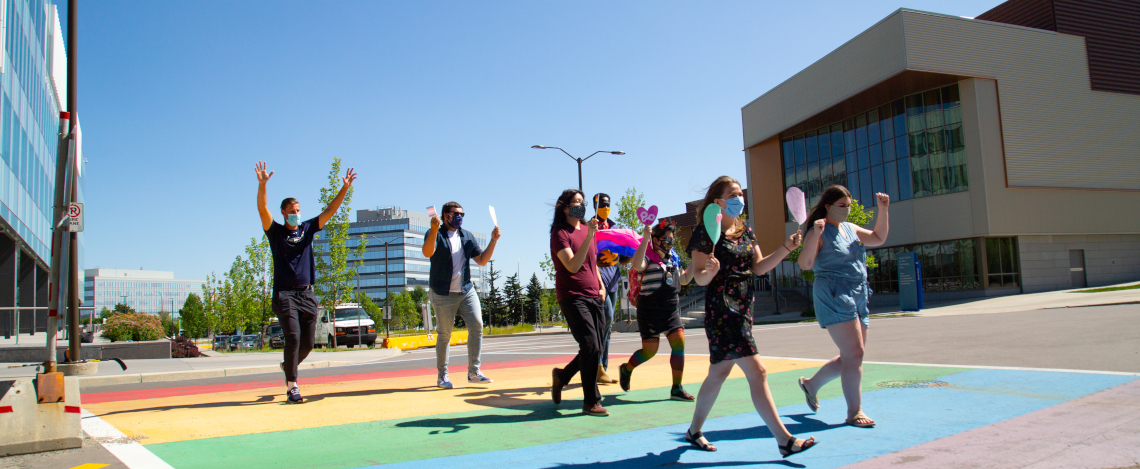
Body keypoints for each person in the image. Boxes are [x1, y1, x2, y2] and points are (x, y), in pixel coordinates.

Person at [684, 176, 816, 458]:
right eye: (733, 194)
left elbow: (758, 268)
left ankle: (694, 430)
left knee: (719, 373)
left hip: (744, 307)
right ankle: (784, 440)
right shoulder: (705, 233)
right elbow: (698, 277)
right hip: (722, 310)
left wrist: (786, 248)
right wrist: (710, 269)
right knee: (758, 371)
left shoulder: (745, 230)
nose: (739, 199)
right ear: (718, 202)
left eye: (741, 194)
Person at [255, 161, 357, 404]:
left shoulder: (308, 228)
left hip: (307, 294)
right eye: (292, 209)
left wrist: (344, 189)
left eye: (298, 209)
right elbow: (262, 210)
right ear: (283, 212)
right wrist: (262, 186)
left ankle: (287, 365)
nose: (296, 212)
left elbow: (330, 210)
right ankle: (292, 386)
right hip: (285, 294)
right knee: (293, 337)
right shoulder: (276, 232)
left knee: (309, 343)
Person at [795, 186, 889, 429]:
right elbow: (805, 264)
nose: (846, 210)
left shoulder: (850, 228)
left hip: (858, 291)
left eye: (848, 205)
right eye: (842, 206)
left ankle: (811, 385)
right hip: (834, 293)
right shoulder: (819, 230)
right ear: (828, 206)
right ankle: (854, 412)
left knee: (851, 356)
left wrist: (883, 210)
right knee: (854, 354)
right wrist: (814, 235)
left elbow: (879, 238)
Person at [423, 202, 501, 389]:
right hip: (443, 293)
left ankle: (474, 372)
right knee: (444, 334)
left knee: (477, 325)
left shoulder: (467, 236)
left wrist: (493, 241)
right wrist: (433, 230)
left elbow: (482, 261)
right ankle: (442, 376)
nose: (459, 217)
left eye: (462, 214)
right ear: (445, 215)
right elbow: (427, 252)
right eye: (455, 214)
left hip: (466, 291)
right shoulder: (435, 233)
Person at [618, 218, 696, 401]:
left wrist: (695, 261)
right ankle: (626, 369)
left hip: (670, 309)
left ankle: (677, 388)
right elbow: (637, 265)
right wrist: (645, 238)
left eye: (672, 239)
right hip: (649, 310)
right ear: (656, 239)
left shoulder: (673, 258)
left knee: (679, 342)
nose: (670, 243)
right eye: (666, 239)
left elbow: (684, 280)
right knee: (650, 351)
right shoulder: (647, 256)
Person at [549, 189, 610, 416]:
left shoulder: (586, 229)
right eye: (576, 202)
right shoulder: (559, 233)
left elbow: (592, 263)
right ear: (565, 207)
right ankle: (591, 401)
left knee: (595, 348)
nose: (580, 206)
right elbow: (573, 265)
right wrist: (588, 238)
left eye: (582, 202)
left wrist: (601, 285)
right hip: (572, 295)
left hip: (595, 294)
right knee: (591, 346)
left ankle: (562, 376)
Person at [592, 193, 620, 385]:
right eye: (602, 204)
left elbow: (621, 251)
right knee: (606, 318)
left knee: (608, 326)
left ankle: (603, 367)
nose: (606, 207)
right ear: (595, 205)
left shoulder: (614, 226)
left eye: (608, 205)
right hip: (598, 281)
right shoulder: (589, 226)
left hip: (614, 280)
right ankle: (596, 365)